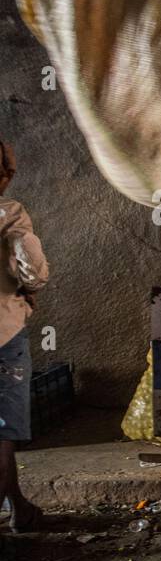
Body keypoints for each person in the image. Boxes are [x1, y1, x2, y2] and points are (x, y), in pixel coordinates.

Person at [0, 140, 50, 533]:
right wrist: (29, 287)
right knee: (3, 429)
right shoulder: (10, 213)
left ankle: (17, 505)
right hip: (4, 332)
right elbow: (32, 269)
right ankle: (17, 508)